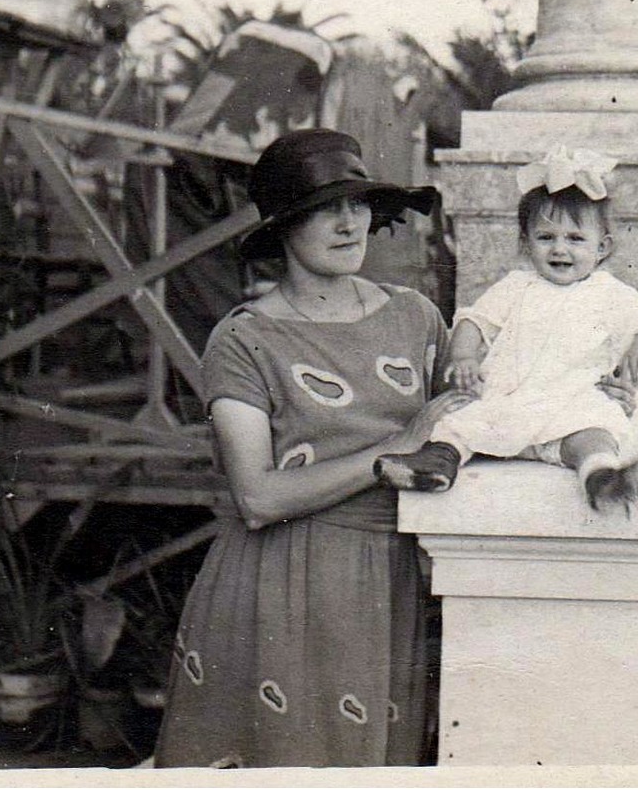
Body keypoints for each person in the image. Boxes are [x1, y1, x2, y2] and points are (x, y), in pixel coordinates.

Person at [153, 128, 466, 768]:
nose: (349, 222)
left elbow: (465, 427)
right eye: (326, 207)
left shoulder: (416, 317)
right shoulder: (245, 339)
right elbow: (258, 497)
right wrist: (389, 454)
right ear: (284, 228)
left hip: (391, 582)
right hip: (283, 585)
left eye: (357, 204)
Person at [374, 146, 638, 511]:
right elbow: (474, 320)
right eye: (546, 237)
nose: (559, 249)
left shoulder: (609, 293)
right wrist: (465, 355)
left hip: (570, 403)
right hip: (510, 398)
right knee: (462, 421)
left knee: (595, 431)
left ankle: (602, 478)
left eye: (575, 239)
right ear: (525, 243)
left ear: (602, 248)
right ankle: (436, 464)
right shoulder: (516, 286)